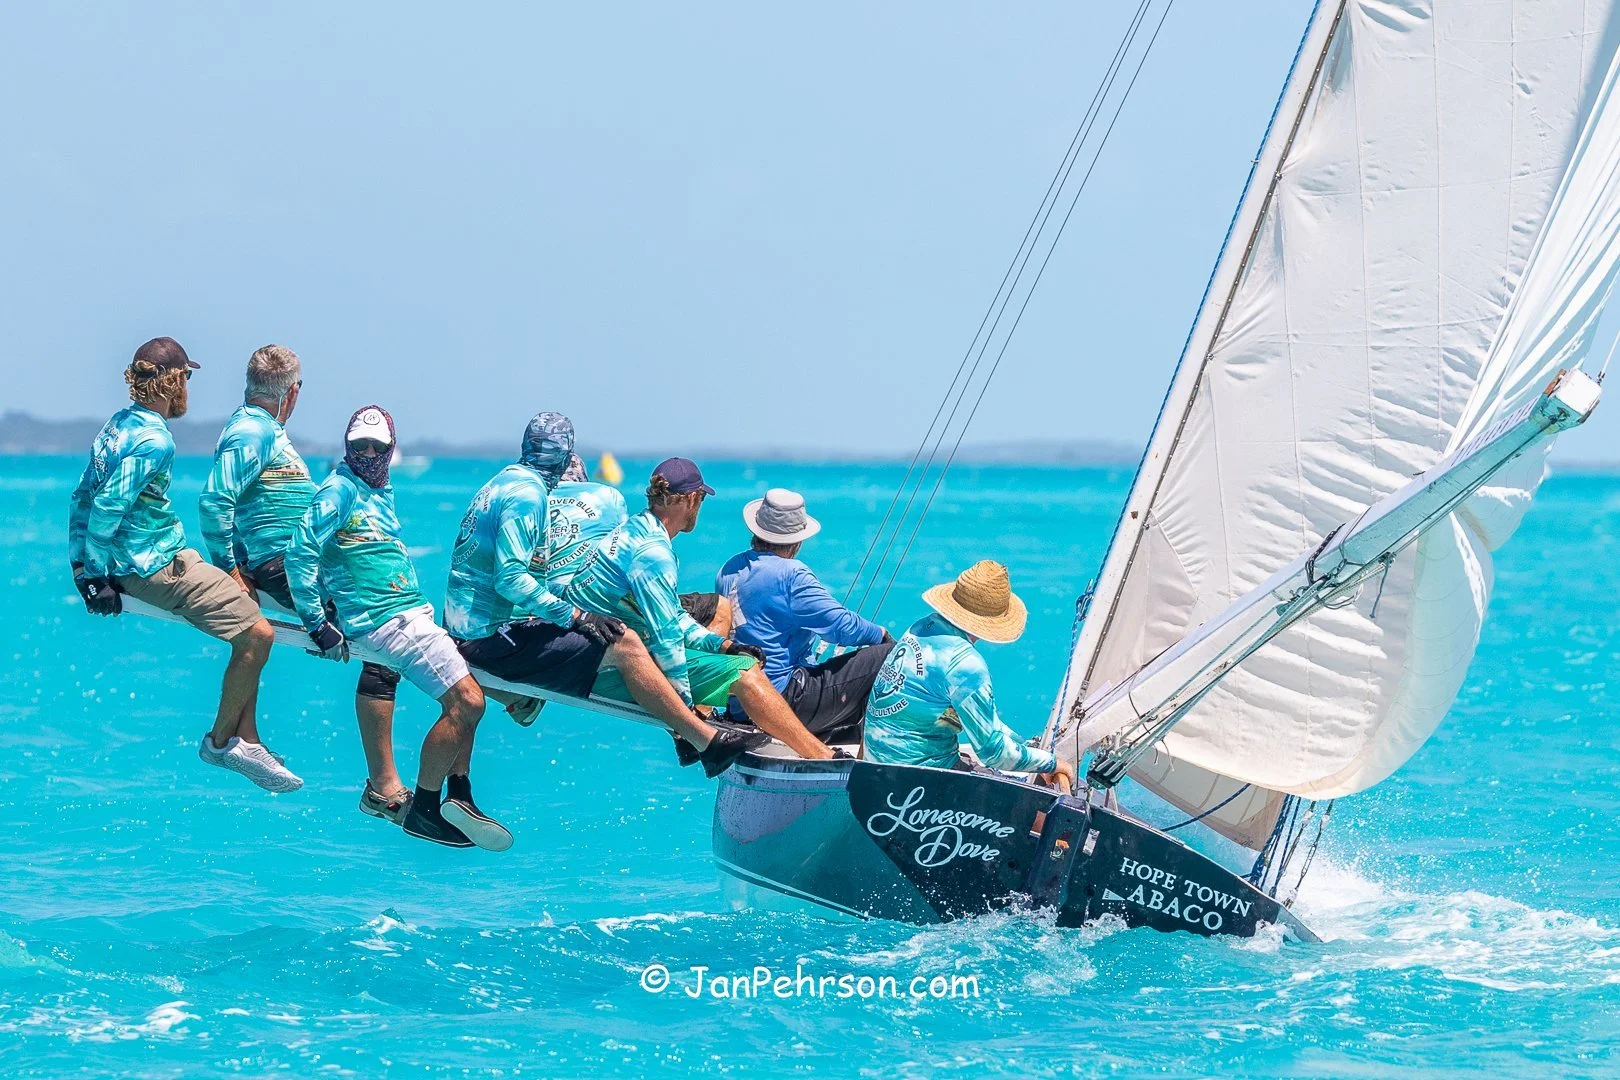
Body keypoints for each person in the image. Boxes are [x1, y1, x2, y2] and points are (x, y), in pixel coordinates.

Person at [443, 413, 760, 780]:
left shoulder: (501, 483)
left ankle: (469, 770)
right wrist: (579, 616)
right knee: (642, 633)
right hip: (499, 635)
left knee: (642, 620)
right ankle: (695, 727)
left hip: (468, 628)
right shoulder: (538, 496)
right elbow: (514, 578)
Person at [67, 337, 299, 792]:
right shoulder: (156, 441)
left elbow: (82, 497)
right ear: (174, 382)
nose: (190, 388)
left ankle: (249, 738)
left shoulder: (116, 427)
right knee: (258, 634)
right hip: (155, 567)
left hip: (150, 558)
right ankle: (221, 743)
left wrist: (82, 570)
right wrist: (95, 576)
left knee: (246, 609)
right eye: (188, 377)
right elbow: (107, 505)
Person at [197, 345, 411, 822]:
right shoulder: (253, 430)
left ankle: (245, 738)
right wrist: (231, 569)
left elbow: (240, 503)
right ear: (292, 393)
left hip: (293, 563)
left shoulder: (262, 428)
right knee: (387, 633)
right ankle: (383, 787)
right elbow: (215, 501)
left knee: (391, 627)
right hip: (289, 566)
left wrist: (240, 562)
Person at [284, 406, 495, 850]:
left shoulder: (378, 488)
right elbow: (301, 552)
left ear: (390, 448)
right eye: (358, 446)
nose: (367, 453)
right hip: (385, 622)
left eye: (376, 447)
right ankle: (425, 809)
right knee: (468, 702)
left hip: (403, 613)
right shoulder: (340, 490)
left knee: (469, 678)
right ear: (346, 447)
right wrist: (317, 623)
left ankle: (455, 792)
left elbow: (351, 552)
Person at [565, 458, 836, 761]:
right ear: (692, 499)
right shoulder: (653, 554)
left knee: (737, 658)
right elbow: (667, 641)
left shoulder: (637, 528)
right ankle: (824, 758)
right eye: (702, 500)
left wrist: (725, 646)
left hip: (597, 651)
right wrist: (687, 720)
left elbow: (674, 619)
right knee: (745, 674)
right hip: (606, 667)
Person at [862, 560, 1074, 788]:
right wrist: (1052, 764)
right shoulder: (966, 665)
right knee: (1035, 805)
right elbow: (993, 753)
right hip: (919, 782)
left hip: (875, 768)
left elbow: (952, 711)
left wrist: (1024, 746)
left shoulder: (922, 627)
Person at [715, 488, 893, 745]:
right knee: (892, 654)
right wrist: (881, 634)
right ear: (797, 541)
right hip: (783, 700)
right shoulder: (791, 574)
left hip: (741, 704)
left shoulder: (728, 568)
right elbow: (840, 626)